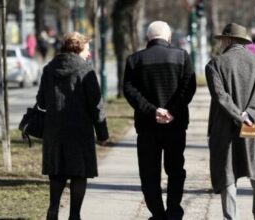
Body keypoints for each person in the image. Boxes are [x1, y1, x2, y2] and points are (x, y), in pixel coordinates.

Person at [123, 21, 196, 220]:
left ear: (148, 38)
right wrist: (171, 111)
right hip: (176, 124)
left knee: (149, 173)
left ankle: (158, 213)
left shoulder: (134, 60)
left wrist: (152, 111)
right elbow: (188, 88)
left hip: (147, 126)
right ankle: (173, 211)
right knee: (175, 170)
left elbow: (130, 91)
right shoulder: (182, 57)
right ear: (169, 37)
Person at [205, 23, 255, 220]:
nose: (220, 44)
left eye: (221, 40)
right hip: (253, 126)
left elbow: (221, 98)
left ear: (228, 40)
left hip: (225, 128)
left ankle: (231, 217)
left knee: (227, 171)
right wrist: (250, 115)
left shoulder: (215, 65)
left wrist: (239, 115)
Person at [36, 31, 109, 220]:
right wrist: (102, 134)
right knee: (78, 174)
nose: (89, 53)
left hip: (54, 131)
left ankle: (53, 210)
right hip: (79, 131)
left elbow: (42, 103)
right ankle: (74, 215)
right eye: (88, 48)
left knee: (57, 172)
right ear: (78, 48)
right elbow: (96, 104)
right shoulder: (86, 70)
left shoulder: (49, 69)